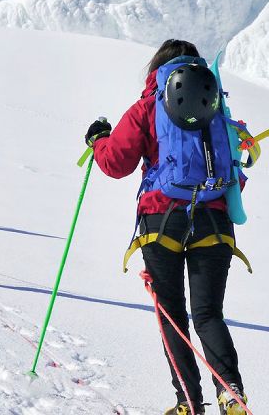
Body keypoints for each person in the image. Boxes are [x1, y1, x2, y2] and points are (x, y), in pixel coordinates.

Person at [84, 39, 248, 415]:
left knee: (172, 315)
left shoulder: (148, 106)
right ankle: (231, 392)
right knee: (209, 314)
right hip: (215, 219)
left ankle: (188, 403)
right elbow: (236, 166)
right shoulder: (216, 107)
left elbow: (115, 163)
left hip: (161, 220)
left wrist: (98, 140)